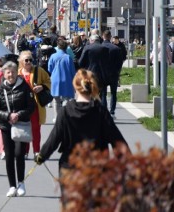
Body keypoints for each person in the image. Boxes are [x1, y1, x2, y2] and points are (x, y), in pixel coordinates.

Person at [35, 69, 129, 203]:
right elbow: (117, 141)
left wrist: (42, 156)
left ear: (75, 86)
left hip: (70, 168)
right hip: (97, 168)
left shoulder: (65, 111)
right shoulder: (100, 111)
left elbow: (54, 139)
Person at [0, 61, 35, 198]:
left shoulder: (24, 87)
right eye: (8, 72)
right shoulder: (0, 89)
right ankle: (12, 186)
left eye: (13, 72)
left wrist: (19, 115)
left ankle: (21, 183)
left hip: (21, 125)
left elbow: (31, 107)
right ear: (4, 74)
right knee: (9, 156)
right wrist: (8, 115)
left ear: (17, 72)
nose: (11, 75)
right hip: (6, 126)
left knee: (19, 154)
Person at [18, 50, 51, 158]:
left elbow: (48, 81)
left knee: (36, 129)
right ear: (21, 61)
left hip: (36, 105)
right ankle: (25, 152)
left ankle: (36, 151)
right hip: (22, 106)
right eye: (26, 60)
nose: (28, 62)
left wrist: (42, 86)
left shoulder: (39, 71)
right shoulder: (18, 73)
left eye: (30, 60)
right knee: (25, 129)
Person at [47, 38, 76, 121]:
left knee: (56, 99)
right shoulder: (68, 57)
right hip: (66, 79)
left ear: (58, 47)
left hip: (55, 79)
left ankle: (56, 117)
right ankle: (64, 116)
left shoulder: (53, 56)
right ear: (66, 47)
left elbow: (49, 68)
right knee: (66, 99)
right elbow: (72, 71)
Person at [101, 30, 123, 117]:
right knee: (113, 93)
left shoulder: (100, 47)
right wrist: (117, 71)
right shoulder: (116, 49)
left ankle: (104, 112)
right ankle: (112, 112)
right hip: (113, 74)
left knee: (103, 93)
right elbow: (120, 62)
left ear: (103, 36)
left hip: (103, 74)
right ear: (110, 37)